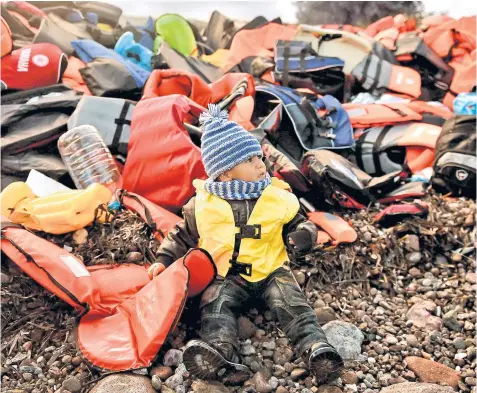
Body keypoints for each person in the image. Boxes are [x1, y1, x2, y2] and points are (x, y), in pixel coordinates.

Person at [147, 104, 344, 384]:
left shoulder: (277, 197)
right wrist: (163, 260)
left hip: (271, 271)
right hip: (228, 276)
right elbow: (181, 235)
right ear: (225, 173)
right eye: (249, 160)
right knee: (214, 305)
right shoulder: (202, 205)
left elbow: (301, 223)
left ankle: (316, 349)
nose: (260, 164)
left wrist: (303, 235)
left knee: (292, 303)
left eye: (258, 156)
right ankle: (220, 351)